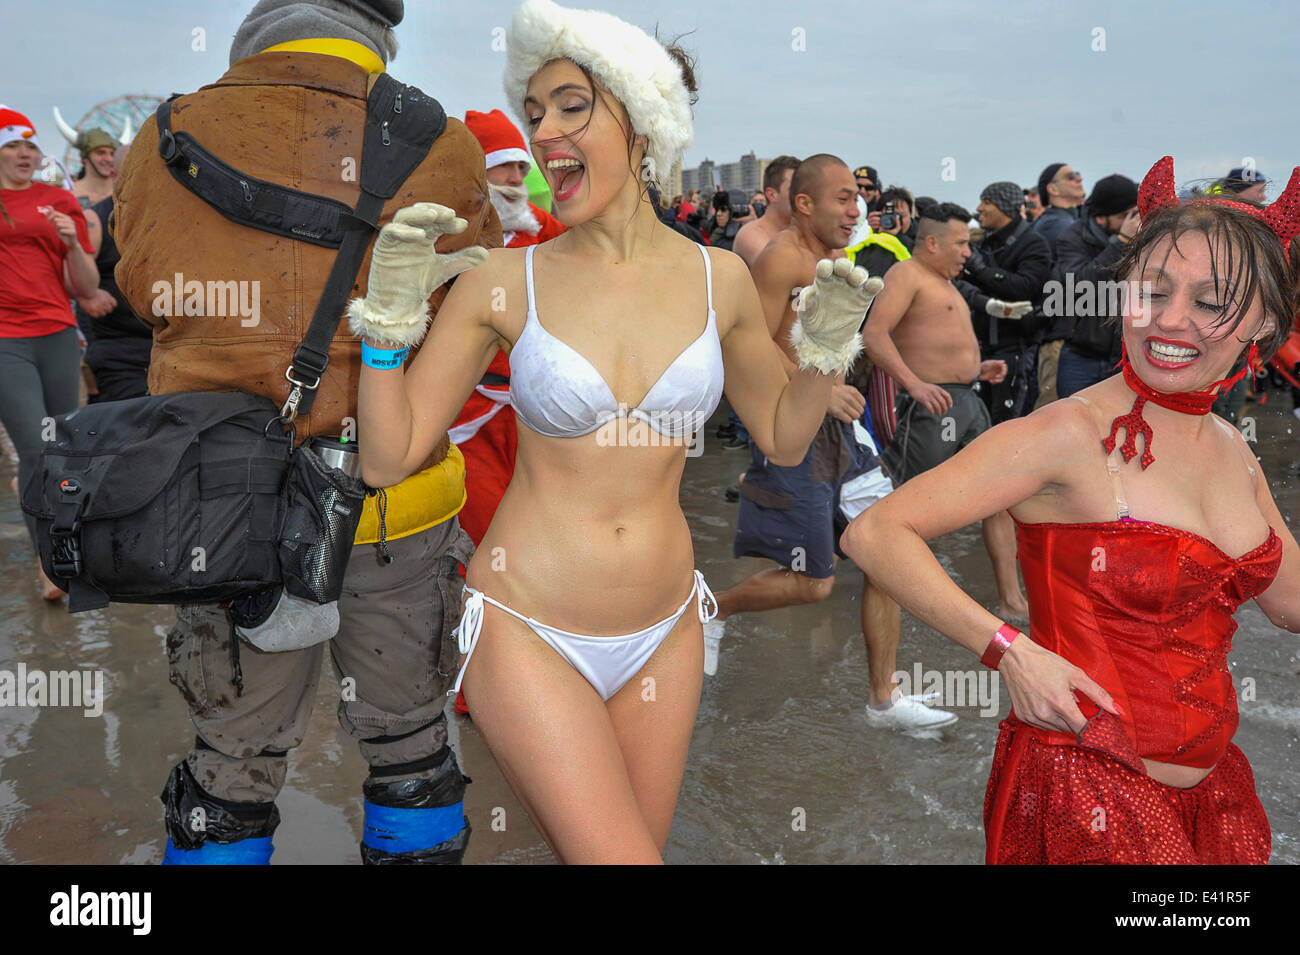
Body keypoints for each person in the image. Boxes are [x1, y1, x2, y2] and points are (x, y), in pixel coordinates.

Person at [351, 0, 876, 863]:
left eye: (570, 106)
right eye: (533, 112)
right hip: (528, 623)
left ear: (640, 125)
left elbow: (784, 438)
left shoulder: (720, 280)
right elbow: (386, 455)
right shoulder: (502, 279)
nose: (545, 133)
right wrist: (386, 326)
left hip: (667, 626)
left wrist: (823, 351)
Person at [112, 0, 498, 865]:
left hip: (222, 508)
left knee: (230, 760)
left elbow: (140, 288)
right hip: (392, 501)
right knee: (412, 746)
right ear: (377, 32)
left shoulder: (166, 133)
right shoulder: (438, 138)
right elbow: (470, 301)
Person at [843, 155, 1300, 864]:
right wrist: (1009, 650)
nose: (1169, 321)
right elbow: (876, 533)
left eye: (1210, 303)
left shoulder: (1234, 450)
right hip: (1086, 793)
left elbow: (1290, 601)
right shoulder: (1065, 433)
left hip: (1215, 800)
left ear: (1266, 321)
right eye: (1152, 290)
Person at [703, 154, 952, 731]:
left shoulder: (838, 259)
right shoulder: (781, 259)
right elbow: (751, 347)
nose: (855, 208)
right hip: (797, 429)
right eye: (842, 197)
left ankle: (882, 701)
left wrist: (844, 389)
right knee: (814, 585)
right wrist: (814, 391)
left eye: (856, 198)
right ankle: (709, 608)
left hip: (845, 430)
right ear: (805, 203)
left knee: (887, 551)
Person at [450, 108, 567, 716]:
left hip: (531, 415)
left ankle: (538, 667)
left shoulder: (546, 229)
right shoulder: (458, 236)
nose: (516, 177)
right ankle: (479, 687)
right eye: (502, 168)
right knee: (488, 543)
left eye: (521, 165)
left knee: (536, 539)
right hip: (467, 415)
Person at [861, 201, 1026, 625]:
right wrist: (913, 383)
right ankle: (875, 573)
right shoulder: (907, 274)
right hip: (930, 406)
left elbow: (942, 340)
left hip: (968, 400)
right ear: (931, 243)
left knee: (999, 500)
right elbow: (874, 334)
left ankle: (1012, 601)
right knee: (903, 507)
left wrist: (977, 369)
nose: (968, 252)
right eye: (959, 243)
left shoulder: (946, 283)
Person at [0, 105, 98, 601]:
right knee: (35, 447)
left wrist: (72, 245)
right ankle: (49, 558)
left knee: (63, 449)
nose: (25, 153)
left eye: (30, 145)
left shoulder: (58, 199)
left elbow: (86, 286)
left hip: (57, 332)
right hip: (4, 339)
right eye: (13, 144)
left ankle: (68, 541)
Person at [959, 181, 1050, 424]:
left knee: (1006, 426)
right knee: (976, 425)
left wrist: (980, 269)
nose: (979, 208)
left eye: (986, 201)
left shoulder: (1033, 243)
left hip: (1014, 351)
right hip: (980, 349)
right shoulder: (982, 243)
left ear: (1005, 207)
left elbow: (1024, 288)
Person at [1053, 174, 1140, 398]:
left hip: (1128, 357)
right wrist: (1120, 243)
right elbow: (1080, 286)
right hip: (1082, 356)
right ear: (1101, 218)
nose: (1134, 220)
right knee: (1072, 426)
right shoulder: (1072, 237)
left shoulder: (1143, 237)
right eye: (1126, 215)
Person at [79, 144, 151, 403]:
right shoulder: (95, 220)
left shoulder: (172, 219)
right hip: (117, 352)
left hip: (169, 346)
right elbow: (74, 280)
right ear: (114, 176)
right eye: (132, 171)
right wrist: (88, 293)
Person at [732, 155, 798, 268]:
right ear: (772, 195)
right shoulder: (751, 234)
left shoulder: (804, 232)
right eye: (794, 188)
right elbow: (781, 272)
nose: (802, 195)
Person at [51, 107, 121, 209]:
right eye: (100, 153)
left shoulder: (126, 195)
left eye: (113, 154)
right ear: (85, 158)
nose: (109, 159)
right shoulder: (66, 195)